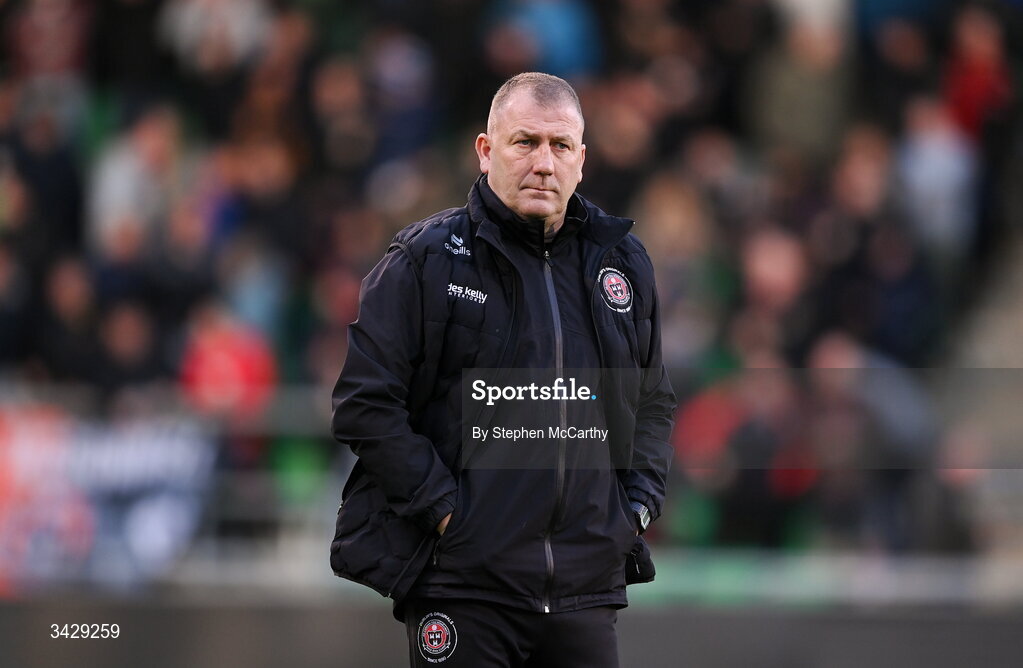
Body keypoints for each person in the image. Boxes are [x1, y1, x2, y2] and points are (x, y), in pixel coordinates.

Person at [330, 72, 675, 668]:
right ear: (486, 150)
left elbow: (653, 400)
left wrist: (635, 509)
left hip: (584, 593)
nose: (544, 162)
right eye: (525, 142)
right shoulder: (424, 260)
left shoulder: (624, 263)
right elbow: (365, 404)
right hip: (464, 588)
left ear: (582, 161)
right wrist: (446, 513)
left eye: (560, 146)